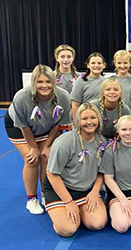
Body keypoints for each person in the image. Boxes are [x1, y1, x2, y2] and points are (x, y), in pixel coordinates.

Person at [5, 64, 71, 214]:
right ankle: (31, 199)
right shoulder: (22, 97)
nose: (44, 85)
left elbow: (58, 124)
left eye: (48, 82)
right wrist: (34, 148)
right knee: (32, 159)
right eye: (40, 82)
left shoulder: (63, 96)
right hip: (19, 127)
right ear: (33, 82)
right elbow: (24, 127)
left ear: (54, 82)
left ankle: (45, 195)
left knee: (46, 157)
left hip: (47, 126)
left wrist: (47, 147)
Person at [44, 103, 107, 237]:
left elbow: (102, 172)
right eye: (84, 119)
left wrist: (95, 192)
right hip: (61, 189)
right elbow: (51, 173)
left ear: (98, 120)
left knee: (98, 224)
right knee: (68, 230)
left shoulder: (102, 142)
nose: (89, 122)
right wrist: (68, 202)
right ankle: (59, 212)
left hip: (86, 190)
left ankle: (81, 210)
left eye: (93, 118)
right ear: (77, 121)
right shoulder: (64, 142)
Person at [71, 52, 106, 118]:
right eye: (93, 63)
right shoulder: (80, 81)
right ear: (88, 65)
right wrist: (76, 122)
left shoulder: (107, 82)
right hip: (86, 117)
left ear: (104, 65)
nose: (96, 65)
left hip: (102, 118)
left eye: (99, 63)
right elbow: (75, 105)